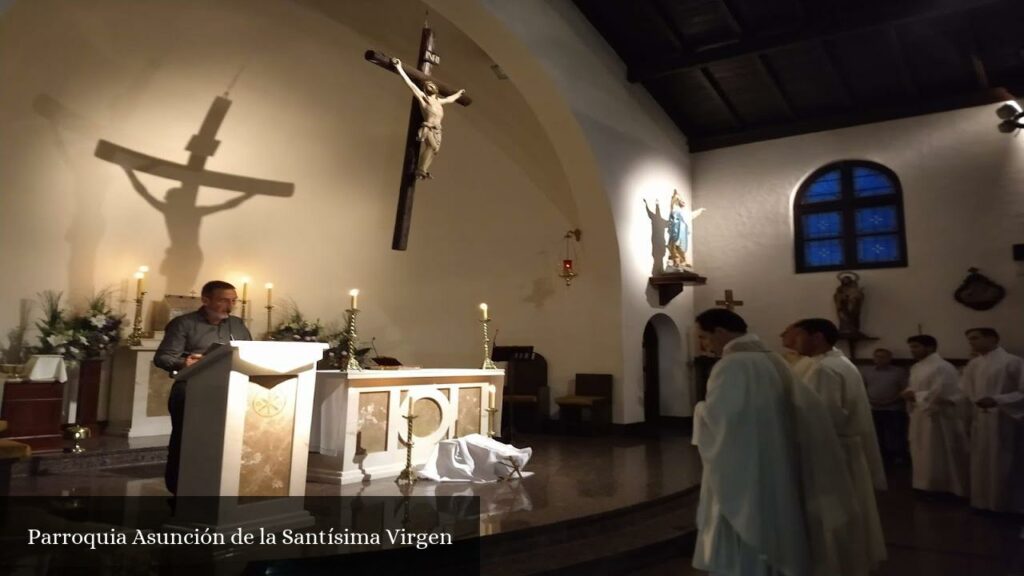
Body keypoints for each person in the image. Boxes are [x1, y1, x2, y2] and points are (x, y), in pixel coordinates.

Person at [692, 308, 856, 576]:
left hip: (744, 468)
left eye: (704, 337)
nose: (704, 345)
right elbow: (809, 408)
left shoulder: (732, 365)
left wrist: (700, 410)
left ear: (720, 332)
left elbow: (724, 422)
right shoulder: (773, 360)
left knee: (747, 521)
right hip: (777, 459)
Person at [792, 317, 886, 575]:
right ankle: (852, 561)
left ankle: (833, 565)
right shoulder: (841, 362)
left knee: (832, 513)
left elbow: (822, 417)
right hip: (846, 448)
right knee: (851, 509)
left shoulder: (825, 369)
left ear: (818, 337)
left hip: (830, 451)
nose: (794, 341)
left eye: (799, 335)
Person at [154, 280, 251, 496]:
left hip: (230, 392)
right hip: (192, 391)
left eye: (234, 300)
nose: (230, 305)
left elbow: (250, 351)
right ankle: (179, 488)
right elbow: (163, 357)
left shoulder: (237, 325)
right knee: (185, 441)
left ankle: (218, 487)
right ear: (206, 300)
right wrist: (184, 362)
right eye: (224, 300)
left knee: (224, 443)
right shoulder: (184, 324)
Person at [959, 327, 1024, 513]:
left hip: (1004, 419)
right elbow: (964, 390)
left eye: (975, 338)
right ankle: (983, 501)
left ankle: (1005, 504)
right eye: (969, 339)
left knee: (1003, 460)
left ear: (992, 338)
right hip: (980, 419)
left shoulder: (1013, 361)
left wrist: (997, 400)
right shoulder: (974, 364)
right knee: (981, 459)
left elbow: (1022, 391)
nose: (971, 342)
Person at [901, 335, 969, 498]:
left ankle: (942, 487)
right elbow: (914, 387)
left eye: (916, 346)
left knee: (937, 451)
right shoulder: (916, 367)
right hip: (919, 413)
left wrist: (916, 396)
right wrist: (909, 393)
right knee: (920, 449)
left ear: (930, 347)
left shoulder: (943, 367)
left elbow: (943, 392)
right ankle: (923, 485)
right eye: (911, 347)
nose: (912, 350)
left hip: (938, 416)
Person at [391, 58, 465, 180]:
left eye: (431, 85)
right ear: (425, 90)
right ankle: (420, 169)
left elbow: (450, 99)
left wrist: (459, 94)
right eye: (427, 86)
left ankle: (423, 170)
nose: (429, 86)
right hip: (428, 127)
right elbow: (410, 84)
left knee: (435, 150)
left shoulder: (439, 101)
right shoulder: (424, 98)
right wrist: (399, 68)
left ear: (436, 90)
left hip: (438, 130)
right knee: (431, 147)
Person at [860, 348, 909, 466]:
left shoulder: (899, 372)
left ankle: (898, 457)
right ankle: (881, 458)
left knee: (895, 434)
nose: (879, 359)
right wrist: (870, 400)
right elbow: (862, 388)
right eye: (877, 356)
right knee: (877, 434)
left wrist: (890, 401)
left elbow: (905, 390)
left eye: (883, 357)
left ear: (889, 358)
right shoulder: (867, 371)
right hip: (873, 408)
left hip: (894, 408)